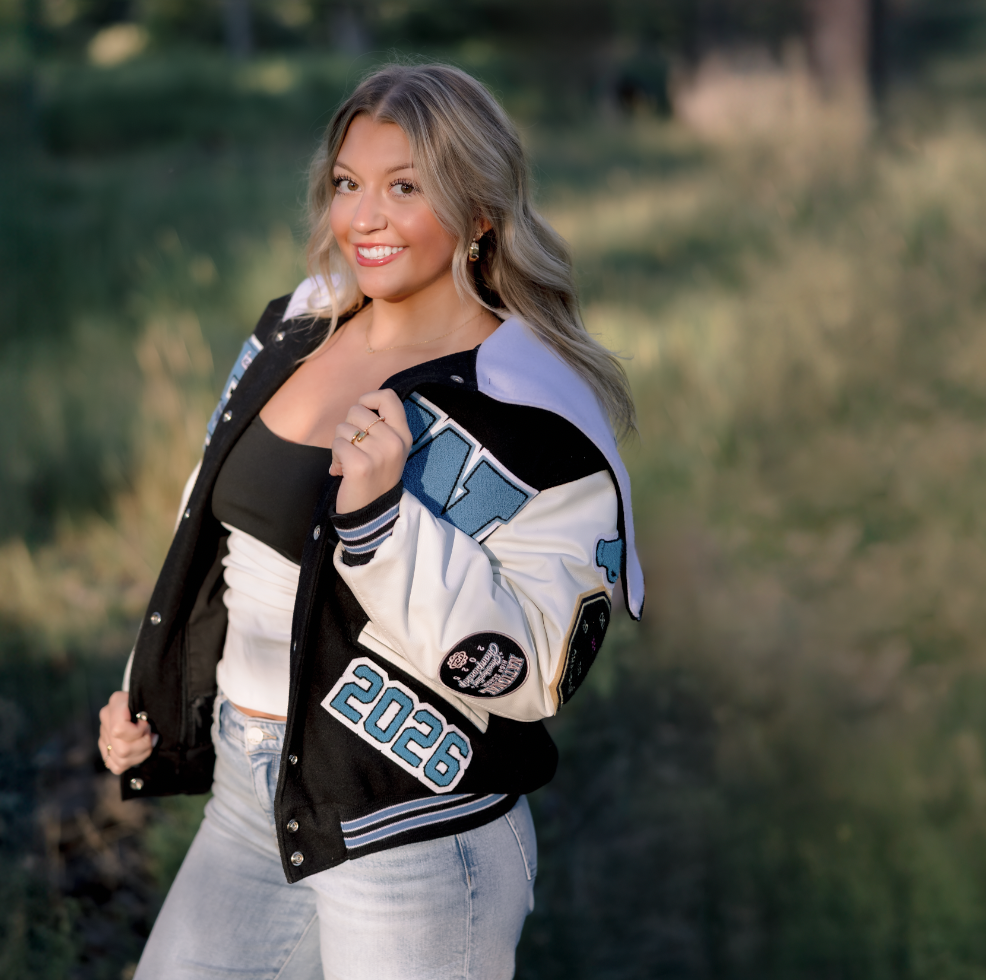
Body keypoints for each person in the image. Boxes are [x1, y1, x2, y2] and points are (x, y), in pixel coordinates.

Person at [97, 62, 644, 979]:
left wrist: (387, 526)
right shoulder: (297, 329)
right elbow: (218, 535)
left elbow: (530, 670)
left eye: (405, 186)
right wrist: (147, 690)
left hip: (415, 834)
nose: (364, 217)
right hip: (249, 796)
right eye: (349, 184)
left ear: (479, 212)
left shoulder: (536, 410)